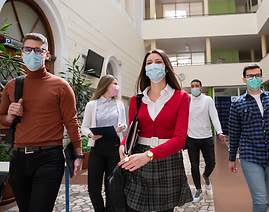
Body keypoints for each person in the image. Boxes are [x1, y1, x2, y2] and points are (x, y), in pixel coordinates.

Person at [0, 33, 83, 211]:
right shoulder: (12, 86)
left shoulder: (61, 86)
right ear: (22, 52)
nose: (32, 53)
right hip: (19, 158)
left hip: (49, 158)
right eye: (28, 49)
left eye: (38, 50)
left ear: (46, 54)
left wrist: (79, 154)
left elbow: (71, 122)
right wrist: (9, 117)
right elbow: (2, 121)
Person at [118, 49, 192, 212]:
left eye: (158, 62)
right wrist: (123, 145)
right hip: (138, 156)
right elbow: (132, 131)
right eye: (149, 63)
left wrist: (150, 155)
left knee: (164, 209)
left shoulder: (181, 97)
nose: (153, 66)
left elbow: (180, 139)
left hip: (167, 158)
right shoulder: (136, 100)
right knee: (134, 206)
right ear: (145, 70)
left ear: (166, 68)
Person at [228, 63, 269, 212]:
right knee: (260, 199)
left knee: (267, 199)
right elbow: (234, 132)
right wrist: (231, 158)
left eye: (257, 75)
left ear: (262, 77)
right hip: (250, 156)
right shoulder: (237, 104)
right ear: (244, 79)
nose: (254, 78)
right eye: (250, 76)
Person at [81, 75, 127, 212]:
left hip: (114, 148)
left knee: (111, 186)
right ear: (106, 85)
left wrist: (122, 126)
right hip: (97, 148)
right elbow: (84, 127)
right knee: (93, 188)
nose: (117, 87)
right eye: (114, 84)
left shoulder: (119, 104)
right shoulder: (92, 104)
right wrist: (90, 135)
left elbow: (124, 123)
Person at [187, 79, 226, 203]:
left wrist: (219, 132)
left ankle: (206, 176)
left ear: (201, 88)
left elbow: (214, 116)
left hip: (206, 137)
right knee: (194, 166)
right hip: (191, 138)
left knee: (212, 163)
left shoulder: (208, 100)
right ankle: (198, 190)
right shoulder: (187, 100)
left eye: (197, 86)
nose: (194, 88)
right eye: (192, 86)